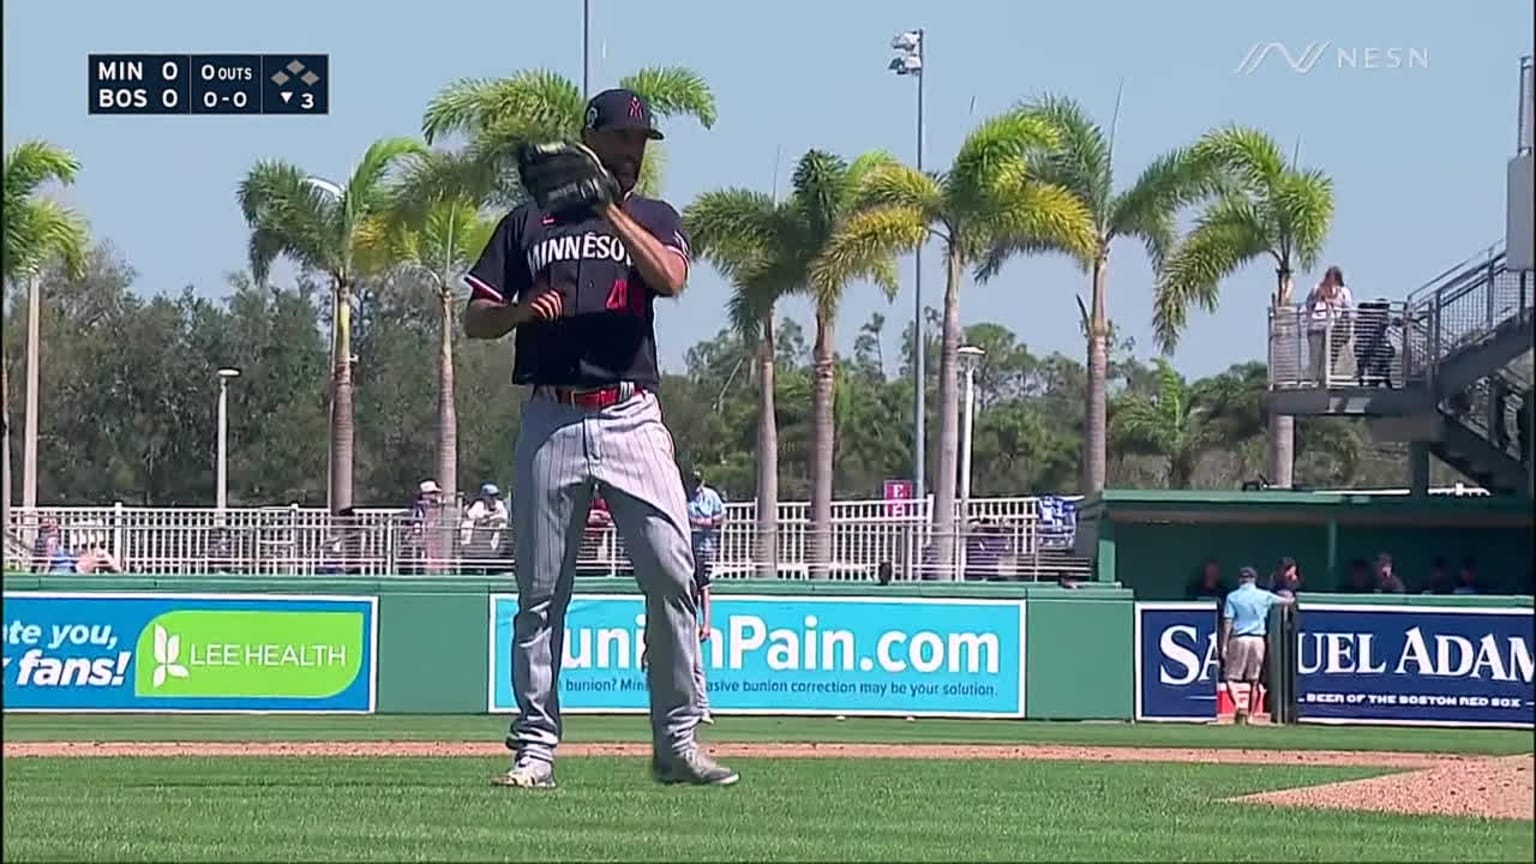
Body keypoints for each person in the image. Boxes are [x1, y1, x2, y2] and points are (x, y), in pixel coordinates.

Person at [462, 87, 735, 789]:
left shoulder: (651, 217)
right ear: (591, 140)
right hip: (550, 417)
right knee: (540, 596)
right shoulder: (529, 224)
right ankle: (536, 750)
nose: (632, 152)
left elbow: (670, 277)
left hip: (629, 414)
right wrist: (522, 311)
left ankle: (678, 741)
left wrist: (609, 211)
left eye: (641, 143)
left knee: (673, 575)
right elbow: (476, 319)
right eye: (621, 140)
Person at [1220, 566, 1297, 724]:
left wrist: (1224, 644)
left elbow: (1228, 620)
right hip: (1258, 640)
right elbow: (1288, 602)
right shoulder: (1263, 595)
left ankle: (1240, 706)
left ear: (1240, 579)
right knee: (1254, 681)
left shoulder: (1233, 597)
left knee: (1230, 678)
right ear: (1254, 579)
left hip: (1239, 638)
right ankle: (1251, 715)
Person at [684, 469, 724, 724]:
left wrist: (706, 623)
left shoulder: (710, 497)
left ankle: (703, 708)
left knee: (697, 667)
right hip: (677, 622)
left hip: (690, 621)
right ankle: (683, 712)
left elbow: (705, 590)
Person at [1303, 266, 1353, 385]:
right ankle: (1316, 380)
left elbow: (1348, 310)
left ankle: (1327, 380)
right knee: (1315, 357)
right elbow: (1308, 306)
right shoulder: (1316, 289)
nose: (1331, 281)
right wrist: (1318, 299)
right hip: (1316, 327)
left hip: (1334, 329)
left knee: (1330, 357)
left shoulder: (1343, 292)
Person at [461, 483, 511, 574]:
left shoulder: (500, 505)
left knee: (493, 573)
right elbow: (471, 516)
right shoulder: (479, 505)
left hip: (493, 550)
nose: (493, 499)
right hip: (476, 549)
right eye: (491, 496)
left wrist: (487, 518)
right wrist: (488, 517)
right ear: (484, 497)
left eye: (495, 496)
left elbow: (503, 518)